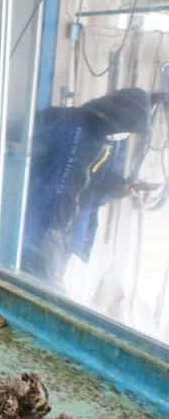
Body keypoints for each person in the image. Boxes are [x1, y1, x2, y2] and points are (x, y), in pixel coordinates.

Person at [22, 88, 153, 288]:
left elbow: (94, 187)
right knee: (46, 291)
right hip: (39, 223)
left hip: (63, 228)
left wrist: (124, 186)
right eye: (127, 128)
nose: (125, 135)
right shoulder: (66, 121)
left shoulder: (108, 141)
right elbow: (20, 148)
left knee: (45, 287)